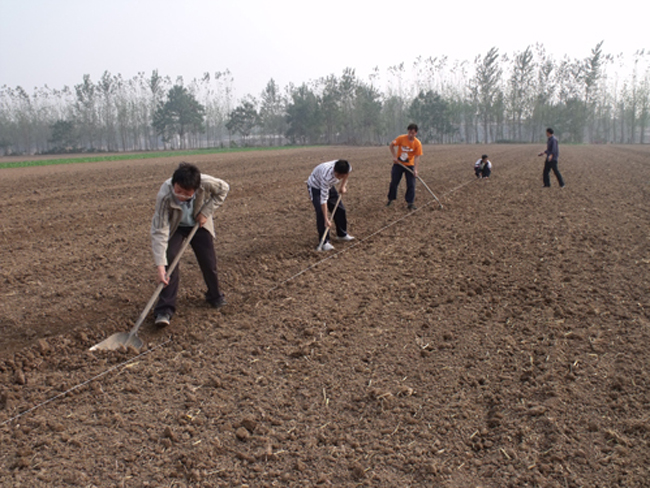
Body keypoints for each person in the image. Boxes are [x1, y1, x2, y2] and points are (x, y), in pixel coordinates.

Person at [151, 162, 230, 327]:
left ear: (195, 189)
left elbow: (224, 189)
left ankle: (215, 296)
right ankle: (164, 309)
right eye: (178, 191)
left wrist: (205, 212)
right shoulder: (165, 195)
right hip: (175, 227)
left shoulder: (205, 182)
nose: (180, 196)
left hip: (198, 223)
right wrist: (160, 266)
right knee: (170, 260)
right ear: (174, 184)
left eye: (186, 194)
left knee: (208, 261)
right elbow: (159, 230)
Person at [307, 159, 353, 252]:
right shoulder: (327, 177)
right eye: (338, 176)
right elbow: (323, 200)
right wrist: (326, 219)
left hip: (329, 186)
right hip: (316, 186)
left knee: (340, 209)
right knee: (321, 213)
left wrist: (342, 186)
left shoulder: (347, 167)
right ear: (334, 171)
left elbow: (347, 174)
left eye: (341, 176)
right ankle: (324, 242)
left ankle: (342, 234)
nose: (339, 178)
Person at [387, 123, 423, 210]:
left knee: (411, 184)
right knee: (394, 182)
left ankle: (410, 203)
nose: (411, 134)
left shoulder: (417, 143)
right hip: (398, 164)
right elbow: (391, 145)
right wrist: (394, 156)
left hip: (409, 165)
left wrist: (415, 169)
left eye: (413, 133)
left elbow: (417, 156)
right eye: (409, 132)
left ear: (416, 133)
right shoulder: (401, 138)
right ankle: (390, 200)